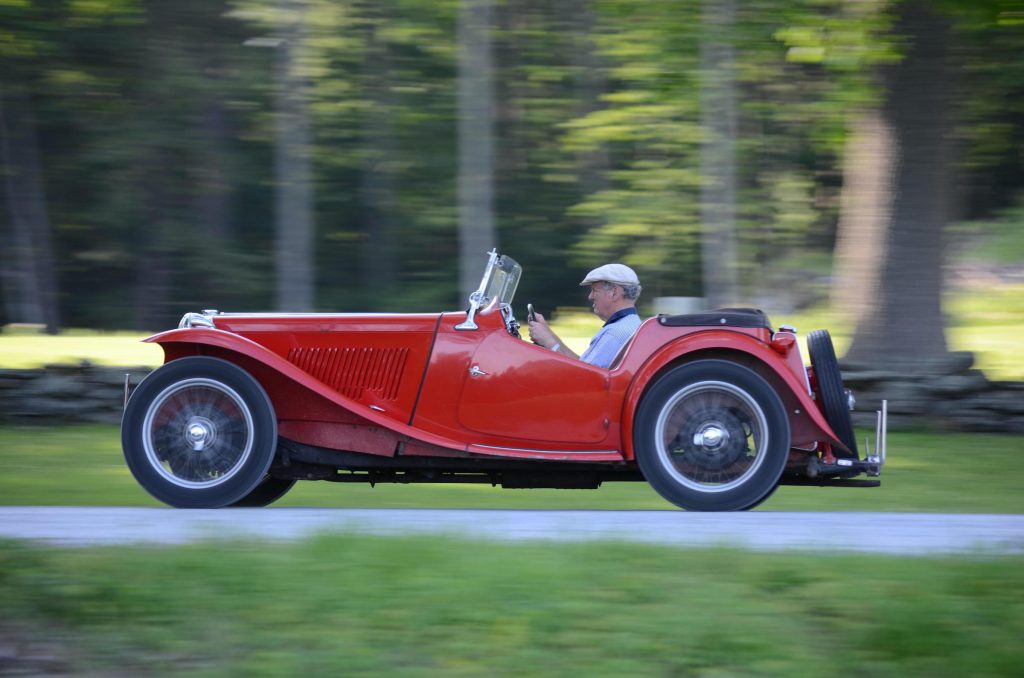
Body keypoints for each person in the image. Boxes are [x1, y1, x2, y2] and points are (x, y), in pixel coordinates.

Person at [528, 263, 643, 369]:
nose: (590, 297)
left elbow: (584, 374)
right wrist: (548, 334)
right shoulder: (629, 324)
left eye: (594, 290)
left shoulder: (614, 333)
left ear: (615, 293)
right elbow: (583, 364)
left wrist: (549, 342)